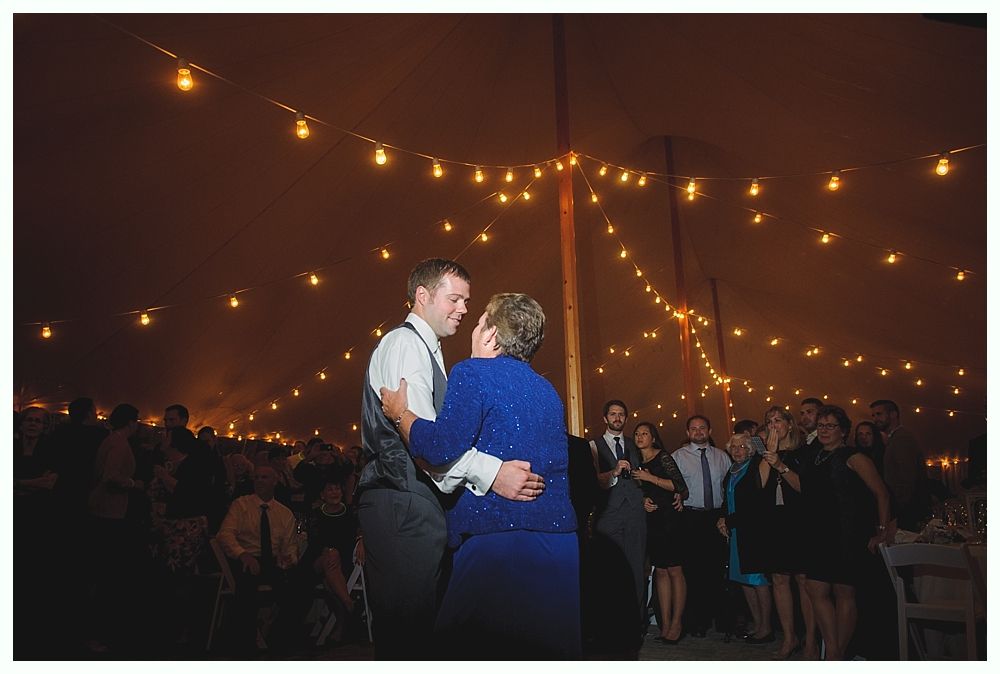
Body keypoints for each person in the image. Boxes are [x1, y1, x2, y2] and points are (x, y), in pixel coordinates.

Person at [358, 258, 544, 660]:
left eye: (466, 301)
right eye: (455, 298)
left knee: (423, 629)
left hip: (417, 504)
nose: (463, 308)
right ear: (422, 296)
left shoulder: (432, 351)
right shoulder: (404, 343)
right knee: (407, 634)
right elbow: (427, 445)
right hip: (401, 499)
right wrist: (492, 474)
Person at [381, 292, 580, 659]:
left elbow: (440, 447)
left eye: (480, 320)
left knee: (470, 651)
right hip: (558, 542)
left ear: (491, 333)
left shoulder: (471, 372)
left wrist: (400, 415)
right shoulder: (548, 390)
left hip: (499, 541)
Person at [788, 405, 893, 660]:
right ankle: (833, 647)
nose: (824, 430)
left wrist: (881, 530)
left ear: (843, 431)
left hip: (848, 531)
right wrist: (780, 466)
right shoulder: (815, 456)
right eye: (821, 425)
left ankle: (836, 655)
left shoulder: (854, 457)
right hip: (819, 532)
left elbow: (881, 492)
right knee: (815, 588)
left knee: (844, 592)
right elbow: (804, 488)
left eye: (830, 426)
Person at [216, 464, 304, 653]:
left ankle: (281, 640)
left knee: (297, 587)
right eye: (256, 477)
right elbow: (225, 535)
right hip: (246, 558)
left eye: (264, 477)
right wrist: (243, 554)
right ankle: (245, 645)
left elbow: (291, 544)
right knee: (247, 588)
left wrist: (290, 559)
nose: (259, 481)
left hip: (272, 561)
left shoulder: (284, 513)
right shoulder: (241, 505)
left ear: (275, 481)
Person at [590, 399, 648, 643]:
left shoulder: (637, 445)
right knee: (608, 570)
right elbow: (592, 481)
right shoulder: (593, 445)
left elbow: (650, 476)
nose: (617, 418)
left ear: (626, 418)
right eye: (612, 414)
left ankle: (638, 624)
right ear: (605, 418)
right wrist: (613, 473)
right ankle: (610, 625)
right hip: (608, 514)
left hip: (635, 513)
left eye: (621, 414)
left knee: (636, 569)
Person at [672, 415, 731, 638]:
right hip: (690, 517)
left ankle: (722, 618)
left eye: (702, 428)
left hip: (716, 518)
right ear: (687, 433)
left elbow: (728, 487)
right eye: (693, 429)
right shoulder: (678, 457)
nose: (698, 432)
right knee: (693, 570)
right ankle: (698, 621)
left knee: (716, 569)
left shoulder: (722, 457)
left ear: (709, 430)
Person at [630, 421, 688, 644]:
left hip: (670, 519)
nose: (640, 436)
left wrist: (650, 478)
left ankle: (677, 623)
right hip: (652, 521)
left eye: (645, 433)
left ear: (653, 438)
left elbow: (679, 486)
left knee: (675, 570)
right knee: (660, 572)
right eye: (637, 433)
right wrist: (643, 499)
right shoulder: (635, 461)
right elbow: (636, 491)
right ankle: (664, 624)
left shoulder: (663, 456)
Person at [717, 433, 773, 645]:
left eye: (742, 446)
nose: (738, 450)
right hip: (736, 533)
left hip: (753, 532)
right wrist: (722, 518)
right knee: (744, 580)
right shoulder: (731, 470)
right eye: (734, 447)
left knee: (758, 580)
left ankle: (766, 627)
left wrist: (729, 521)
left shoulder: (755, 467)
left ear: (750, 449)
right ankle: (757, 624)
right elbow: (726, 499)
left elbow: (754, 504)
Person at [301, 479, 364, 643]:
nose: (335, 493)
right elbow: (316, 542)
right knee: (330, 555)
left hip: (342, 563)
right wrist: (330, 551)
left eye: (337, 489)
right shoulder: (316, 514)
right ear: (322, 495)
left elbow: (361, 531)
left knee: (331, 584)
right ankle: (350, 606)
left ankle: (342, 621)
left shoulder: (351, 512)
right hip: (318, 559)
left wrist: (361, 540)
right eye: (330, 490)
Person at [870, 399, 928, 530]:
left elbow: (906, 478)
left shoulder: (902, 439)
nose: (875, 419)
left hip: (907, 512)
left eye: (879, 414)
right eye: (873, 415)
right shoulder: (895, 438)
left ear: (893, 414)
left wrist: (895, 512)